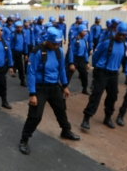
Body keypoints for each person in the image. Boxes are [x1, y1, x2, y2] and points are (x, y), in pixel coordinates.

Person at [18, 27, 80, 155]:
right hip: (40, 88)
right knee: (35, 116)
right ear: (47, 40)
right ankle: (24, 140)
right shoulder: (37, 52)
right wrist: (32, 94)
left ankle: (66, 131)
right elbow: (31, 73)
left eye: (58, 43)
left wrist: (65, 86)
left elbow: (62, 69)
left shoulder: (59, 51)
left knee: (61, 110)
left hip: (54, 87)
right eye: (54, 43)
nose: (56, 46)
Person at [81, 22, 127, 130]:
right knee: (96, 95)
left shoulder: (124, 44)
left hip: (114, 74)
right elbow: (95, 56)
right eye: (120, 34)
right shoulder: (106, 42)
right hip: (102, 73)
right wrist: (97, 69)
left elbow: (124, 57)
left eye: (124, 35)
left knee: (112, 97)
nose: (121, 37)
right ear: (116, 31)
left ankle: (108, 117)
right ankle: (86, 118)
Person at [67, 24, 90, 94]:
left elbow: (85, 52)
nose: (85, 33)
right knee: (68, 75)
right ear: (80, 31)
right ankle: (63, 89)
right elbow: (70, 52)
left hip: (81, 59)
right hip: (75, 59)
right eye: (84, 31)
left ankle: (84, 88)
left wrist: (87, 62)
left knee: (84, 75)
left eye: (86, 31)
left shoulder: (85, 40)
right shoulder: (74, 40)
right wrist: (71, 63)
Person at [11, 20, 29, 87]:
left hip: (19, 54)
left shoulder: (23, 34)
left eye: (20, 27)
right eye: (18, 27)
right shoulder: (13, 34)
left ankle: (22, 81)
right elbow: (10, 45)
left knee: (21, 68)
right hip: (13, 53)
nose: (19, 28)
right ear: (16, 27)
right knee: (5, 67)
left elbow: (25, 44)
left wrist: (26, 54)